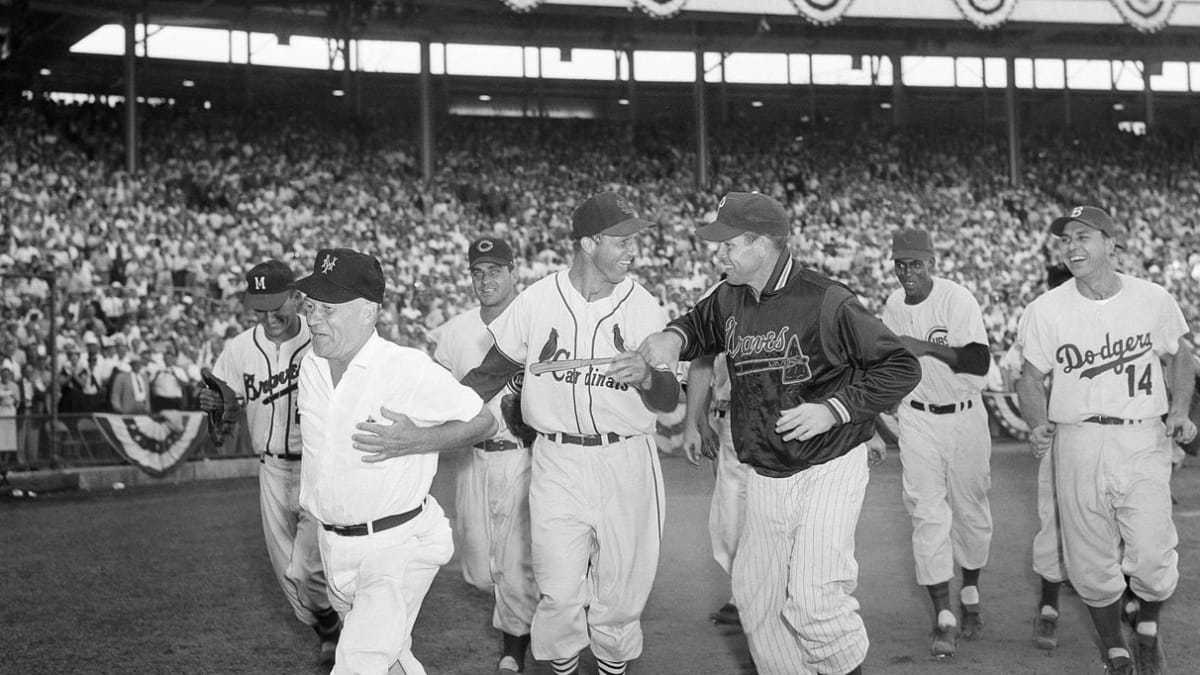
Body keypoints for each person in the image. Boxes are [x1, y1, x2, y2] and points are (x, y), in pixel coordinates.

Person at [638, 192, 920, 675]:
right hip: (766, 468)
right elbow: (698, 326)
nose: (719, 254)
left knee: (814, 600)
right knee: (755, 596)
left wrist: (835, 409)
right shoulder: (729, 295)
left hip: (828, 463)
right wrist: (673, 338)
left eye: (728, 244)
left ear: (763, 244)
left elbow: (900, 366)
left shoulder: (826, 299)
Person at [451, 191, 681, 675]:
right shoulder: (538, 300)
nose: (631, 251)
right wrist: (433, 410)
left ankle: (613, 666)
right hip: (556, 459)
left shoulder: (643, 306)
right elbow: (492, 372)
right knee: (557, 592)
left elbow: (665, 400)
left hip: (626, 459)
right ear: (588, 243)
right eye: (621, 241)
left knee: (619, 597)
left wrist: (646, 376)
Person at [294, 247, 497, 675]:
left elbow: (484, 421)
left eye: (328, 309)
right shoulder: (310, 365)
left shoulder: (406, 368)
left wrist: (417, 440)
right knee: (391, 660)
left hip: (395, 545)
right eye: (311, 306)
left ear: (368, 312)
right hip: (335, 547)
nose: (313, 318)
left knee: (358, 664)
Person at [1016, 205, 1197, 675]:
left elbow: (1181, 355)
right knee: (1089, 555)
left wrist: (1178, 409)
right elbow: (1030, 378)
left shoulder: (1152, 298)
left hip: (1141, 435)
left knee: (1154, 556)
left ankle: (1148, 628)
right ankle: (1115, 649)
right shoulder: (1046, 308)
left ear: (1111, 244)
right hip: (1076, 439)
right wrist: (1036, 421)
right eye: (1065, 239)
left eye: (1083, 236)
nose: (1072, 246)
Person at [196, 260, 342, 666]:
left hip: (318, 465)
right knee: (289, 573)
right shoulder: (240, 348)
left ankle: (339, 628)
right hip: (272, 470)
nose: (268, 316)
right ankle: (327, 629)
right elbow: (222, 413)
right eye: (259, 308)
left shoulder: (322, 342)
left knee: (310, 568)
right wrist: (213, 405)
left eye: (275, 305)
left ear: (296, 297)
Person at [880, 228, 994, 657]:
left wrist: (924, 348)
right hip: (918, 419)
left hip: (964, 414)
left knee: (970, 510)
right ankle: (944, 616)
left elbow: (979, 362)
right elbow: (893, 362)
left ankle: (970, 594)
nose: (907, 272)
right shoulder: (894, 305)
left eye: (915, 263)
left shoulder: (956, 299)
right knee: (926, 514)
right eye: (900, 264)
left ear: (932, 263)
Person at [427, 236, 538, 675]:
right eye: (478, 271)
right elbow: (437, 395)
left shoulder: (536, 320)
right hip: (473, 457)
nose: (486, 279)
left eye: (495, 270)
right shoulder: (454, 331)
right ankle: (528, 627)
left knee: (518, 560)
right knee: (479, 564)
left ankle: (516, 647)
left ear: (515, 272)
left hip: (523, 453)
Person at [681, 352, 747, 627]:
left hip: (772, 418)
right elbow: (700, 368)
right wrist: (700, 424)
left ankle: (756, 595)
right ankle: (742, 592)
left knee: (770, 513)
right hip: (726, 420)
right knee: (729, 519)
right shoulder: (717, 309)